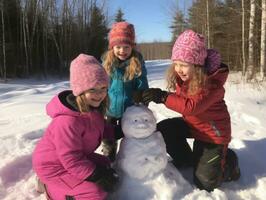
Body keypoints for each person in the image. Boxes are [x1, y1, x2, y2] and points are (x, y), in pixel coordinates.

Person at [141, 30, 240, 192]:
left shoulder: (212, 84)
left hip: (213, 135)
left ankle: (229, 162)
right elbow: (186, 104)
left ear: (197, 65)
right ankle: (187, 159)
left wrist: (162, 96)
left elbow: (191, 106)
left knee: (205, 183)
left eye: (184, 65)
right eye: (176, 64)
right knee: (165, 129)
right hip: (194, 124)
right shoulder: (185, 78)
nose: (179, 69)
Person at [32, 54, 119, 200]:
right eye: (92, 89)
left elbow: (103, 129)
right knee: (95, 192)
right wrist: (95, 175)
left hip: (74, 158)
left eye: (103, 88)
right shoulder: (67, 122)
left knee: (105, 164)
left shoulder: (92, 109)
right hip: (53, 167)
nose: (99, 94)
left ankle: (64, 185)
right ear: (80, 90)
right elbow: (71, 159)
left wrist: (122, 130)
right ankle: (49, 187)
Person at [102, 21, 149, 138]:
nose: (122, 51)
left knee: (129, 136)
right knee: (109, 137)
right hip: (110, 110)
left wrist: (142, 98)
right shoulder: (107, 63)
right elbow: (102, 84)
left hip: (130, 110)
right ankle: (109, 155)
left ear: (132, 47)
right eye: (118, 47)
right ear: (112, 47)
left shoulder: (136, 62)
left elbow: (142, 83)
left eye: (126, 47)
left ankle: (128, 155)